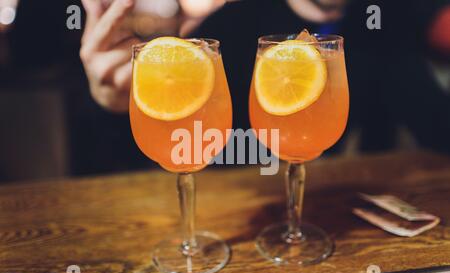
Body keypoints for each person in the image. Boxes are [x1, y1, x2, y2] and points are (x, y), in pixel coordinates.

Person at [80, 0, 450, 172]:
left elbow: (433, 121)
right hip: (228, 220)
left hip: (323, 213)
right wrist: (112, 105)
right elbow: (171, 148)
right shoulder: (233, 26)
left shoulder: (381, 24)